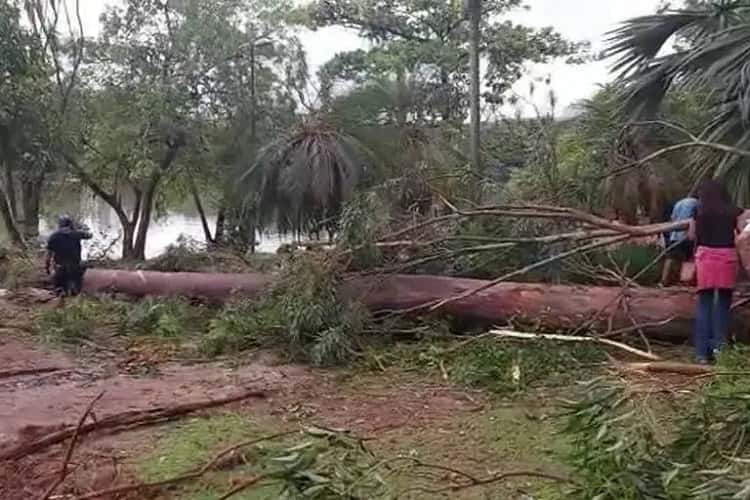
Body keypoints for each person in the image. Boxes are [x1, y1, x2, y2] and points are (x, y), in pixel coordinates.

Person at [690, 180, 743, 364]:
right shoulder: (734, 211)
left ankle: (701, 354)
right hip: (726, 258)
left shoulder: (699, 211)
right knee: (722, 306)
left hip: (705, 258)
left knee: (704, 305)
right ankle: (720, 350)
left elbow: (692, 235)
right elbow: (741, 235)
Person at [45, 215, 92, 297]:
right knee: (77, 289)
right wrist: (80, 229)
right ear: (70, 224)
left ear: (59, 225)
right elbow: (90, 235)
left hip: (60, 268)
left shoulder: (53, 236)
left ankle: (59, 293)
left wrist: (47, 267)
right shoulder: (76, 234)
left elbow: (48, 255)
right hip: (75, 267)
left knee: (58, 289)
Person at [661, 196, 698, 286]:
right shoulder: (696, 203)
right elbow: (694, 218)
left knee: (671, 257)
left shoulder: (679, 203)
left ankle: (665, 280)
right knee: (687, 258)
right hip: (687, 234)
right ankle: (683, 280)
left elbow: (673, 218)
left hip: (675, 234)